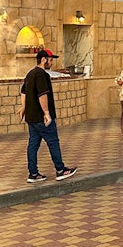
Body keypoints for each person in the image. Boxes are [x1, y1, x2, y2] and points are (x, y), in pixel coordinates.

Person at [18, 49, 77, 183]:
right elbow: (42, 94)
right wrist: (47, 113)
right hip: (41, 117)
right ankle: (61, 170)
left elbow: (23, 92)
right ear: (44, 59)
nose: (52, 62)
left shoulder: (30, 74)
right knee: (53, 142)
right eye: (50, 60)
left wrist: (24, 107)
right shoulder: (41, 75)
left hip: (32, 117)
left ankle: (33, 173)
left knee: (33, 144)